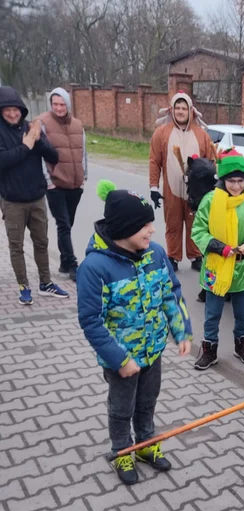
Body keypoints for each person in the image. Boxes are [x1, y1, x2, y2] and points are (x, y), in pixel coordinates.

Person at [77, 180, 193, 485]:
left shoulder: (155, 255)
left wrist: (181, 332)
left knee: (147, 401)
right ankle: (122, 450)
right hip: (122, 361)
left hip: (153, 351)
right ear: (123, 228)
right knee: (121, 407)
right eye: (144, 225)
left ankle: (145, 445)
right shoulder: (95, 267)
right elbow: (91, 321)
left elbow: (171, 294)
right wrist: (119, 359)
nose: (151, 231)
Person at [191, 149, 244, 370]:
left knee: (243, 314)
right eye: (231, 181)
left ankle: (241, 346)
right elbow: (198, 231)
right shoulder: (210, 200)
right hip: (217, 267)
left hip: (243, 269)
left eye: (240, 181)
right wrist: (221, 248)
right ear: (223, 180)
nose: (235, 186)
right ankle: (209, 350)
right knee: (212, 314)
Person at [0, 87, 69, 305]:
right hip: (12, 201)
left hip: (37, 198)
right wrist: (25, 145)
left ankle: (45, 283)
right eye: (7, 110)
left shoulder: (32, 129)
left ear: (22, 110)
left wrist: (38, 140)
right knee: (16, 246)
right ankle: (23, 286)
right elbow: (3, 161)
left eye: (16, 110)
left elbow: (53, 156)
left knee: (41, 242)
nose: (12, 114)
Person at [149, 93, 214, 272]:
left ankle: (195, 255)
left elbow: (211, 161)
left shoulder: (201, 135)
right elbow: (154, 160)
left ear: (190, 111)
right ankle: (173, 256)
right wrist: (154, 187)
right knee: (173, 223)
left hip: (197, 192)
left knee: (196, 223)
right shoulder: (161, 133)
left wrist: (210, 187)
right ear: (172, 110)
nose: (180, 111)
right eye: (177, 108)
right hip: (172, 188)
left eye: (184, 108)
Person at [38, 87, 87, 282]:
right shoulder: (42, 123)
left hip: (75, 184)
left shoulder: (77, 124)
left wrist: (84, 178)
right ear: (51, 105)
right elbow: (40, 155)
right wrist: (48, 181)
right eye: (55, 104)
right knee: (64, 224)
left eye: (62, 104)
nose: (59, 108)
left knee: (67, 224)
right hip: (55, 184)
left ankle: (64, 261)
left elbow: (83, 153)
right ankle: (72, 264)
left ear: (68, 105)